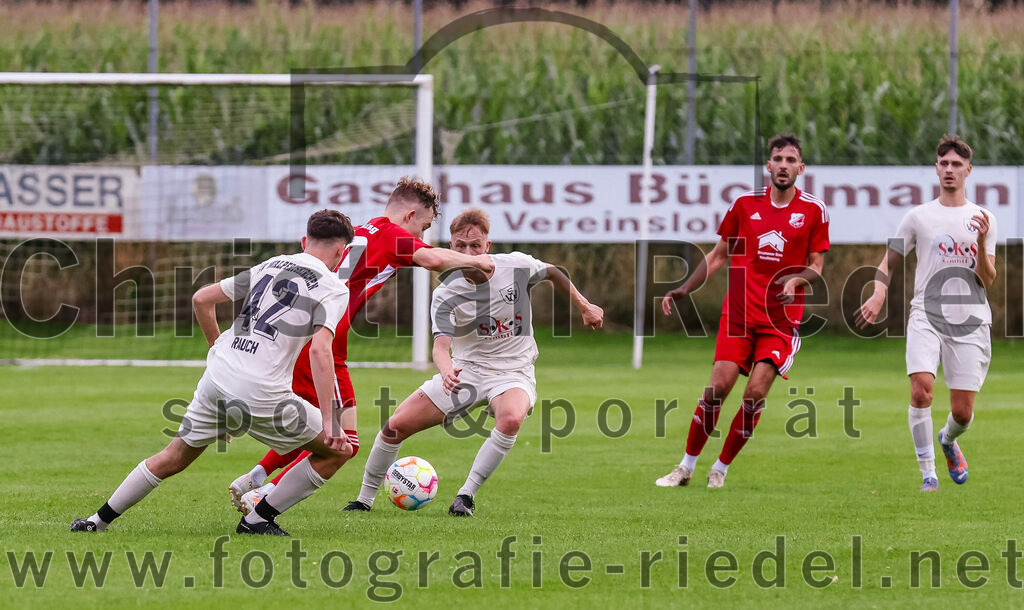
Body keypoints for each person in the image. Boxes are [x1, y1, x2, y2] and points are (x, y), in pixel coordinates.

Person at [72, 210, 355, 536]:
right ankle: (257, 519)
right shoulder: (333, 286)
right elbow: (321, 351)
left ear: (305, 241)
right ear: (340, 251)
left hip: (218, 375)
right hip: (261, 390)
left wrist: (216, 347)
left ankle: (97, 521)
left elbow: (202, 299)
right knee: (339, 449)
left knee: (173, 456)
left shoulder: (271, 264)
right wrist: (332, 423)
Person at [228, 177, 494, 513]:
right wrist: (478, 261)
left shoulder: (363, 230)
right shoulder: (392, 234)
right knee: (344, 442)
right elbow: (434, 260)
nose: (422, 239)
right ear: (410, 216)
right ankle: (264, 498)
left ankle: (256, 476)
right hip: (326, 339)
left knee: (317, 425)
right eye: (423, 228)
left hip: (302, 333)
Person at [340, 207, 603, 516]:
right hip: (467, 371)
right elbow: (440, 347)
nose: (467, 252)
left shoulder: (516, 266)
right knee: (395, 426)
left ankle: (465, 496)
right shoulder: (447, 293)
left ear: (487, 246)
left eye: (474, 246)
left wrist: (584, 306)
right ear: (451, 248)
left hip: (513, 371)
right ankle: (363, 500)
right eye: (460, 246)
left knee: (511, 418)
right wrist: (446, 368)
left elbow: (554, 272)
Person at [656, 134, 829, 489]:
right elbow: (719, 255)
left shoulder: (814, 210)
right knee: (718, 387)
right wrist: (685, 286)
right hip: (739, 315)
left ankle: (720, 467)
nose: (783, 165)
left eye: (790, 159)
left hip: (780, 322)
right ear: (768, 166)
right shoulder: (745, 205)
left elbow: (816, 266)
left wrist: (797, 281)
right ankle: (685, 467)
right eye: (777, 158)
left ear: (801, 168)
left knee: (754, 395)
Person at [856, 135, 997, 492]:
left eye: (956, 165)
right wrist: (878, 292)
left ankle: (948, 440)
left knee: (962, 413)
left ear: (969, 170)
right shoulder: (918, 217)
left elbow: (989, 279)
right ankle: (928, 475)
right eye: (943, 164)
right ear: (937, 168)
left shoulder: (983, 218)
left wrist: (980, 244)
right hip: (926, 314)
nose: (949, 170)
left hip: (969, 320)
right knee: (921, 392)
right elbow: (888, 262)